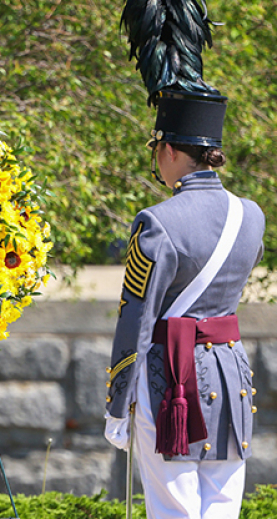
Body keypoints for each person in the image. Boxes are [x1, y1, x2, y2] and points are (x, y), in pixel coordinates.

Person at [104, 90, 265, 519]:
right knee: (222, 509)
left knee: (173, 510)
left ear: (171, 151)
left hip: (169, 378)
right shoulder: (252, 214)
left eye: (158, 149)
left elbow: (136, 316)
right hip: (230, 375)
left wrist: (117, 403)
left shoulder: (156, 221)